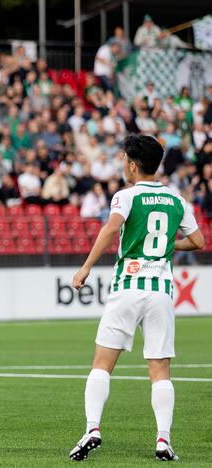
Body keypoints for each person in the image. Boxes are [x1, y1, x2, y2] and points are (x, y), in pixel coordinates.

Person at [69, 135, 204, 462]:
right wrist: (169, 248)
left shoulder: (125, 196)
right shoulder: (176, 200)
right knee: (160, 369)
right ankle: (163, 439)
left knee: (102, 364)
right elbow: (198, 241)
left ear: (131, 163)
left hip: (128, 286)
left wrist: (85, 267)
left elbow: (111, 230)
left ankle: (92, 428)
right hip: (160, 292)